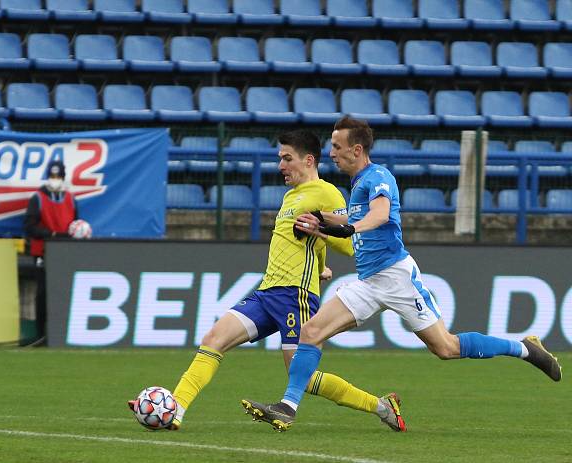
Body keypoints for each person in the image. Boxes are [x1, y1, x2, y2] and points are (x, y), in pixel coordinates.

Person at [241, 116, 563, 431]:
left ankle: (524, 348)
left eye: (337, 146)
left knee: (446, 348)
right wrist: (318, 219)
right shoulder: (356, 186)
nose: (332, 153)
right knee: (311, 332)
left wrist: (350, 227)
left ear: (357, 150)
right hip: (368, 282)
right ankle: (288, 407)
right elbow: (349, 218)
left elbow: (379, 215)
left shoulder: (379, 176)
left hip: (397, 277)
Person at [129, 129, 406, 433]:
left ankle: (381, 406)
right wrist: (322, 266)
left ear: (309, 160)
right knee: (213, 340)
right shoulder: (292, 196)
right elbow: (310, 242)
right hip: (267, 292)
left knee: (303, 376)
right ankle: (174, 409)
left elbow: (348, 243)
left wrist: (320, 249)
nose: (281, 166)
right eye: (280, 159)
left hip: (294, 295)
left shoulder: (327, 193)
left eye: (287, 158)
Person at [24, 160, 79, 344]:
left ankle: (62, 333)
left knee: (64, 293)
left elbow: (74, 224)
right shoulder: (37, 198)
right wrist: (51, 234)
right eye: (52, 176)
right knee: (42, 293)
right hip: (43, 251)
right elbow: (29, 227)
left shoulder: (71, 199)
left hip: (65, 252)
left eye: (58, 176)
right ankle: (41, 334)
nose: (55, 179)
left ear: (63, 177)